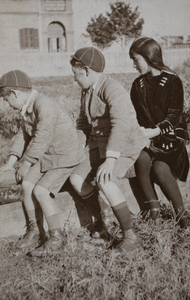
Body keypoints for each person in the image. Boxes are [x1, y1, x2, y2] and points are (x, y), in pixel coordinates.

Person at [0, 70, 89, 256]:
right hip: (48, 156)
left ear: (15, 93)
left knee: (40, 190)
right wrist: (11, 161)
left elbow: (41, 138)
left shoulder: (44, 105)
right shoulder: (27, 108)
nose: (7, 104)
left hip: (64, 156)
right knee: (27, 184)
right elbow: (23, 135)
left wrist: (27, 163)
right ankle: (35, 231)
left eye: (6, 100)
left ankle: (56, 238)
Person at [69, 47, 150, 252]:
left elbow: (121, 124)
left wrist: (111, 159)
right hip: (99, 145)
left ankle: (131, 236)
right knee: (76, 179)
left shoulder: (112, 88)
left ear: (87, 70)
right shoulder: (87, 90)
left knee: (105, 179)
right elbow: (82, 123)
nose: (75, 79)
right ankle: (103, 221)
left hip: (124, 144)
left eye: (76, 74)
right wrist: (78, 147)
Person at [128, 37, 190, 228]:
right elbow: (136, 117)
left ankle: (181, 215)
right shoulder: (137, 86)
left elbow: (174, 116)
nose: (134, 65)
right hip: (149, 140)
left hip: (171, 141)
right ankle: (154, 212)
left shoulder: (172, 81)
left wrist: (154, 131)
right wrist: (138, 131)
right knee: (141, 158)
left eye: (136, 60)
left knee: (160, 169)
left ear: (149, 58)